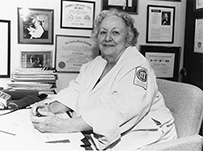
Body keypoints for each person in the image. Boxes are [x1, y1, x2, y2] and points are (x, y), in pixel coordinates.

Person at [30, 9, 177, 150]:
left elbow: (120, 110)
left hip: (146, 136)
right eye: (103, 32)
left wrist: (63, 125)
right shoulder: (97, 63)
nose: (108, 38)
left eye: (115, 33)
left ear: (128, 38)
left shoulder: (137, 65)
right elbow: (76, 91)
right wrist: (50, 108)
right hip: (109, 131)